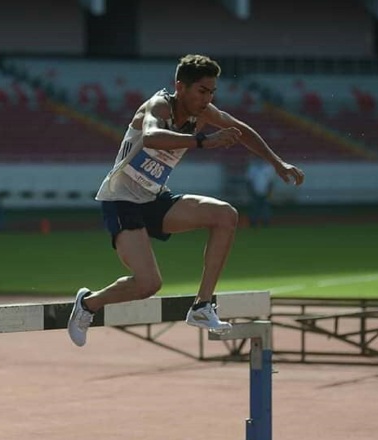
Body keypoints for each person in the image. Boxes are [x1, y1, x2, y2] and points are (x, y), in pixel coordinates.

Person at [67, 54, 305, 347]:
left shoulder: (204, 113)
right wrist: (204, 141)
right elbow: (153, 137)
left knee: (225, 215)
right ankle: (88, 304)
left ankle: (202, 306)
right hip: (122, 199)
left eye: (212, 92)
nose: (208, 99)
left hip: (154, 198)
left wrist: (277, 163)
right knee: (148, 285)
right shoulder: (158, 106)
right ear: (180, 87)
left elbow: (241, 130)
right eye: (202, 91)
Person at [246, 156, 276, 228]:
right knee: (255, 207)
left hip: (265, 191)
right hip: (255, 191)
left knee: (265, 207)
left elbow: (271, 181)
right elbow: (249, 181)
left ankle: (266, 222)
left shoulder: (269, 168)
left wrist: (269, 191)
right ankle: (253, 222)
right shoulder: (253, 168)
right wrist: (251, 191)